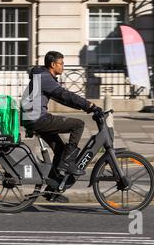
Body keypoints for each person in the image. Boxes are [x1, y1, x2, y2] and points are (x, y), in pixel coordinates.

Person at [21, 51, 101, 201]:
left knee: (60, 149)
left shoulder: (42, 76)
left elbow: (62, 98)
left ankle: (52, 191)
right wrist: (89, 105)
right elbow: (64, 95)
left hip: (32, 117)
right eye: (61, 63)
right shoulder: (45, 78)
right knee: (78, 124)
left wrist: (85, 107)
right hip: (37, 118)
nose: (63, 66)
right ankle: (67, 163)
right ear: (53, 65)